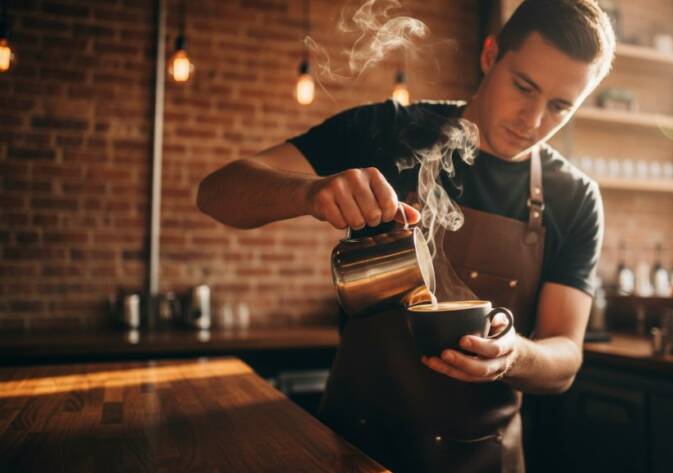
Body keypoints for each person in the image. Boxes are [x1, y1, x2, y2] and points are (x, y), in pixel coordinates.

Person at [197, 1, 614, 471]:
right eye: (523, 86)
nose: (533, 121)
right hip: (351, 450)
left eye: (560, 107)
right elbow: (216, 193)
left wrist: (513, 355)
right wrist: (310, 192)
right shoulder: (387, 131)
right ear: (490, 54)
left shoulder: (574, 197)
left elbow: (565, 357)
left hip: (482, 460)